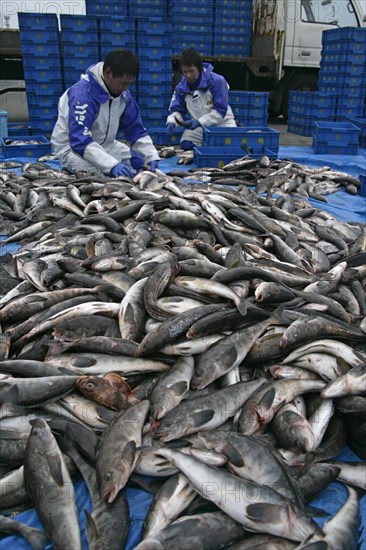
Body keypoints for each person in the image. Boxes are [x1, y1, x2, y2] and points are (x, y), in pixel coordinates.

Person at [51, 49, 160, 177]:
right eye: (124, 83)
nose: (126, 88)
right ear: (108, 73)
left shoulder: (123, 95)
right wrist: (110, 165)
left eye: (129, 84)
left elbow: (135, 129)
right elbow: (79, 141)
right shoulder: (82, 95)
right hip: (73, 149)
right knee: (102, 176)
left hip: (106, 145)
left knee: (140, 162)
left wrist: (150, 155)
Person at [165, 48, 236, 150]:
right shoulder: (181, 88)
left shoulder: (217, 81)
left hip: (223, 124)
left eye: (191, 71)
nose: (188, 75)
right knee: (186, 144)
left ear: (199, 67)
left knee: (229, 148)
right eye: (185, 72)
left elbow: (220, 111)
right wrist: (172, 121)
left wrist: (200, 122)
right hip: (199, 128)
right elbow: (177, 110)